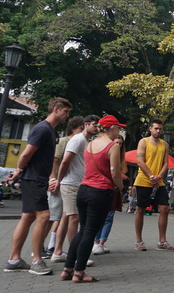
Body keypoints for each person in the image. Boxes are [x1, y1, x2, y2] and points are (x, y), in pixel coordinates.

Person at [4, 97, 72, 276]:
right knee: (44, 216)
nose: (67, 116)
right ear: (56, 109)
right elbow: (26, 153)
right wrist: (19, 169)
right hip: (34, 179)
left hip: (35, 179)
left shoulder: (50, 130)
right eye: (66, 111)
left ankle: (14, 260)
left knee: (27, 217)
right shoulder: (42, 129)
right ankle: (37, 260)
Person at [60, 114, 125, 283]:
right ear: (111, 128)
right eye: (118, 128)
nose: (119, 132)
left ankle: (68, 269)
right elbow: (114, 172)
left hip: (83, 190)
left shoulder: (89, 145)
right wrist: (120, 187)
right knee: (90, 233)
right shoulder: (113, 146)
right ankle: (79, 272)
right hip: (100, 192)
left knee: (82, 231)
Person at [53, 115, 100, 264]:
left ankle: (57, 252)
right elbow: (65, 160)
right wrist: (58, 180)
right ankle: (76, 256)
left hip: (77, 183)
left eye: (98, 126)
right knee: (75, 219)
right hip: (71, 184)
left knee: (66, 217)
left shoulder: (87, 141)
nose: (97, 128)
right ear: (86, 125)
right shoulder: (78, 139)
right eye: (94, 125)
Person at [134, 119, 174, 252]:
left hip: (159, 181)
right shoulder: (143, 142)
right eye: (156, 128)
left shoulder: (165, 144)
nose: (158, 131)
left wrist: (159, 176)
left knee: (165, 208)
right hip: (143, 180)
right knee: (141, 209)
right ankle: (139, 241)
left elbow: (165, 163)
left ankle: (162, 241)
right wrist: (151, 176)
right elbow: (140, 161)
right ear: (150, 129)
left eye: (160, 129)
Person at [47, 116, 85, 261]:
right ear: (72, 129)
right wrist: (53, 179)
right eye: (81, 128)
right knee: (57, 216)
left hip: (72, 182)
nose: (82, 131)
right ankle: (55, 249)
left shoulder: (82, 142)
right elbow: (55, 161)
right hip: (62, 183)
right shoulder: (64, 141)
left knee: (64, 216)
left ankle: (57, 250)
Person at [92, 134, 127, 255]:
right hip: (104, 187)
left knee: (108, 217)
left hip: (114, 189)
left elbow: (120, 171)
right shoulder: (106, 151)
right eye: (116, 142)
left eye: (120, 144)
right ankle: (96, 242)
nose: (117, 145)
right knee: (99, 216)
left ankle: (101, 243)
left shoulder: (121, 157)